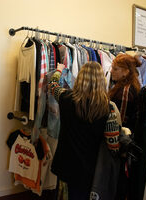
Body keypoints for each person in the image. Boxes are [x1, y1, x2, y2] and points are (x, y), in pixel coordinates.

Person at [49, 61, 119, 200]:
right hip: (90, 168)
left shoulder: (66, 98)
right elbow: (113, 144)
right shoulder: (108, 107)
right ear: (101, 81)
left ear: (80, 78)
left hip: (66, 163)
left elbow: (53, 86)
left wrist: (58, 70)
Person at [109, 53, 142, 200]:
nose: (111, 71)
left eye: (115, 69)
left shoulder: (125, 91)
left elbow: (119, 123)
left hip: (120, 145)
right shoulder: (125, 86)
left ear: (126, 72)